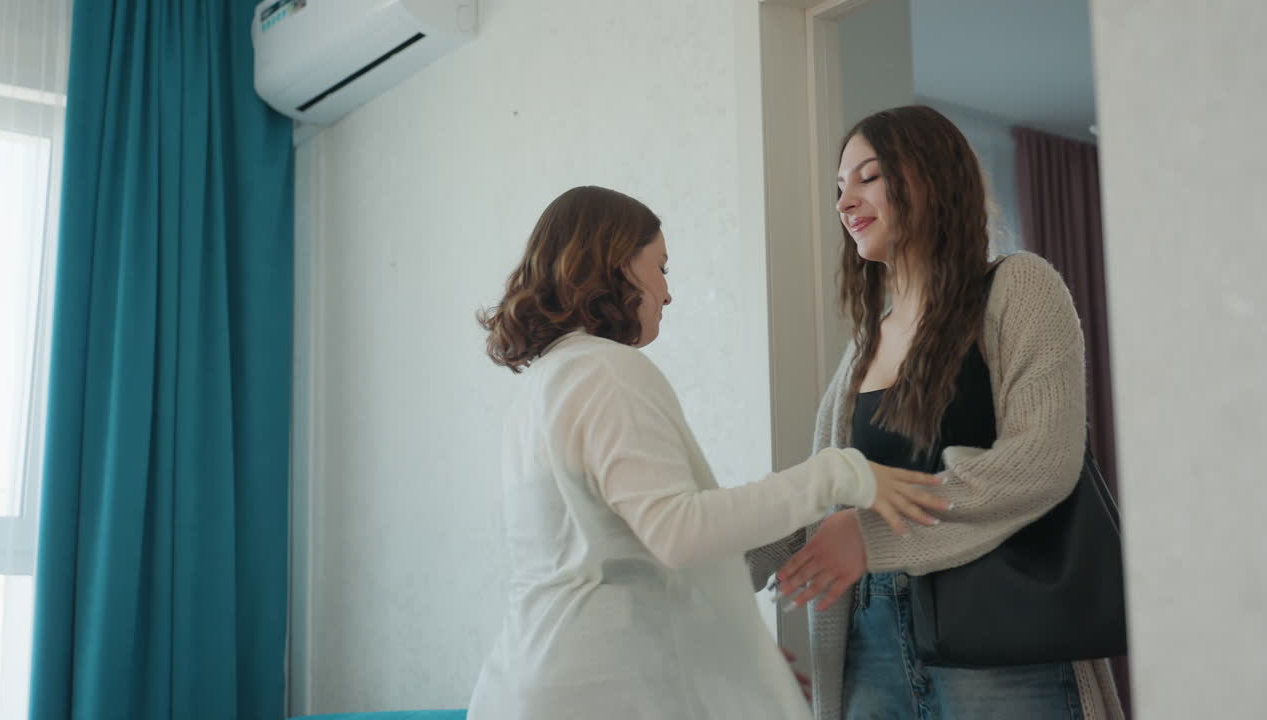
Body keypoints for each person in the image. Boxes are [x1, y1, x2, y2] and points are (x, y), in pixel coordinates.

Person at [466, 186, 948, 719]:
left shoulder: (546, 382)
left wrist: (729, 652)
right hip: (596, 687)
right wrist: (835, 475)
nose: (667, 293)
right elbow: (679, 532)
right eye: (662, 267)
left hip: (531, 681)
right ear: (619, 264)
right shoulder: (605, 371)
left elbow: (622, 557)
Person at [747, 106, 1125, 720]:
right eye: (840, 187)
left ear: (930, 176)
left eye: (868, 177)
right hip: (867, 641)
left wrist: (870, 535)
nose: (846, 202)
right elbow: (820, 496)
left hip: (1001, 633)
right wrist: (704, 565)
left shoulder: (1017, 287)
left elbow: (1042, 463)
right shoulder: (865, 343)